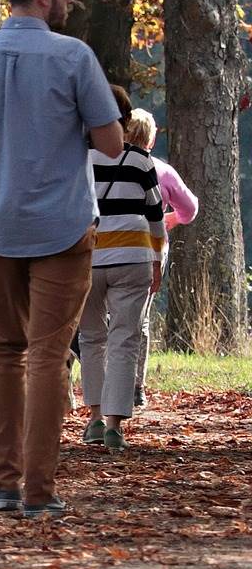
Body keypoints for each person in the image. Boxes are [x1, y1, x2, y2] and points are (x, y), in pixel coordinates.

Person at [0, 0, 124, 519]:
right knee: (49, 354)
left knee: (3, 350)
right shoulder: (75, 58)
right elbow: (113, 143)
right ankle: (40, 492)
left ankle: (2, 484)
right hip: (63, 223)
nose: (72, 1)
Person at [78, 108, 166, 453]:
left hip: (88, 259)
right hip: (133, 257)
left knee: (91, 338)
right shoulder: (142, 162)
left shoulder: (80, 160)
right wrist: (157, 258)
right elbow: (156, 215)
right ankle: (115, 425)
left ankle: (95, 418)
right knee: (124, 340)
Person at [127, 109, 197, 408]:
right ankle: (136, 387)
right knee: (140, 318)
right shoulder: (163, 171)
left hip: (106, 246)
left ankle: (105, 382)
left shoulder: (106, 165)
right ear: (152, 139)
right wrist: (172, 219)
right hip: (151, 248)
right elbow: (191, 208)